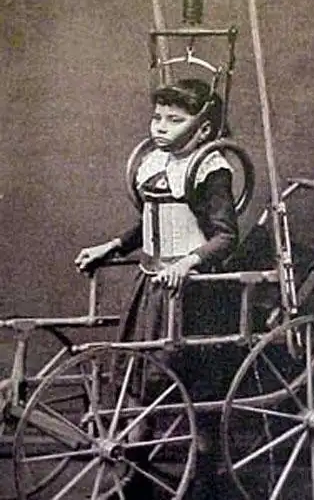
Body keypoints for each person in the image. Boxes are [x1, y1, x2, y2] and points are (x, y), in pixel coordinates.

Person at [75, 78, 239, 499]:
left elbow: (225, 236)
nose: (161, 127)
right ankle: (137, 470)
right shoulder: (154, 162)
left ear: (203, 128)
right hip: (151, 287)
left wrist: (187, 263)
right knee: (139, 379)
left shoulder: (210, 168)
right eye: (157, 118)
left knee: (196, 389)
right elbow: (148, 220)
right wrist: (112, 246)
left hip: (193, 294)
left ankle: (206, 476)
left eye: (174, 120)